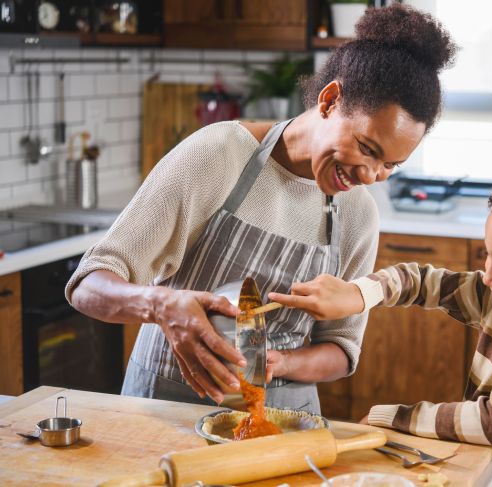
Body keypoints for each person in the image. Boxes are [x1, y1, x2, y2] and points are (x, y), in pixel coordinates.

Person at [65, 4, 456, 412]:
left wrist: (283, 362)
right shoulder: (220, 155)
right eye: (367, 148)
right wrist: (161, 304)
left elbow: (341, 349)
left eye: (390, 165)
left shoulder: (358, 215)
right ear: (329, 100)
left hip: (284, 419)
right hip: (167, 407)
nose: (371, 174)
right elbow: (88, 284)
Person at [269, 155, 492, 449]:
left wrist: (393, 418)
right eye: (488, 257)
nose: (487, 276)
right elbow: (421, 282)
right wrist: (359, 294)